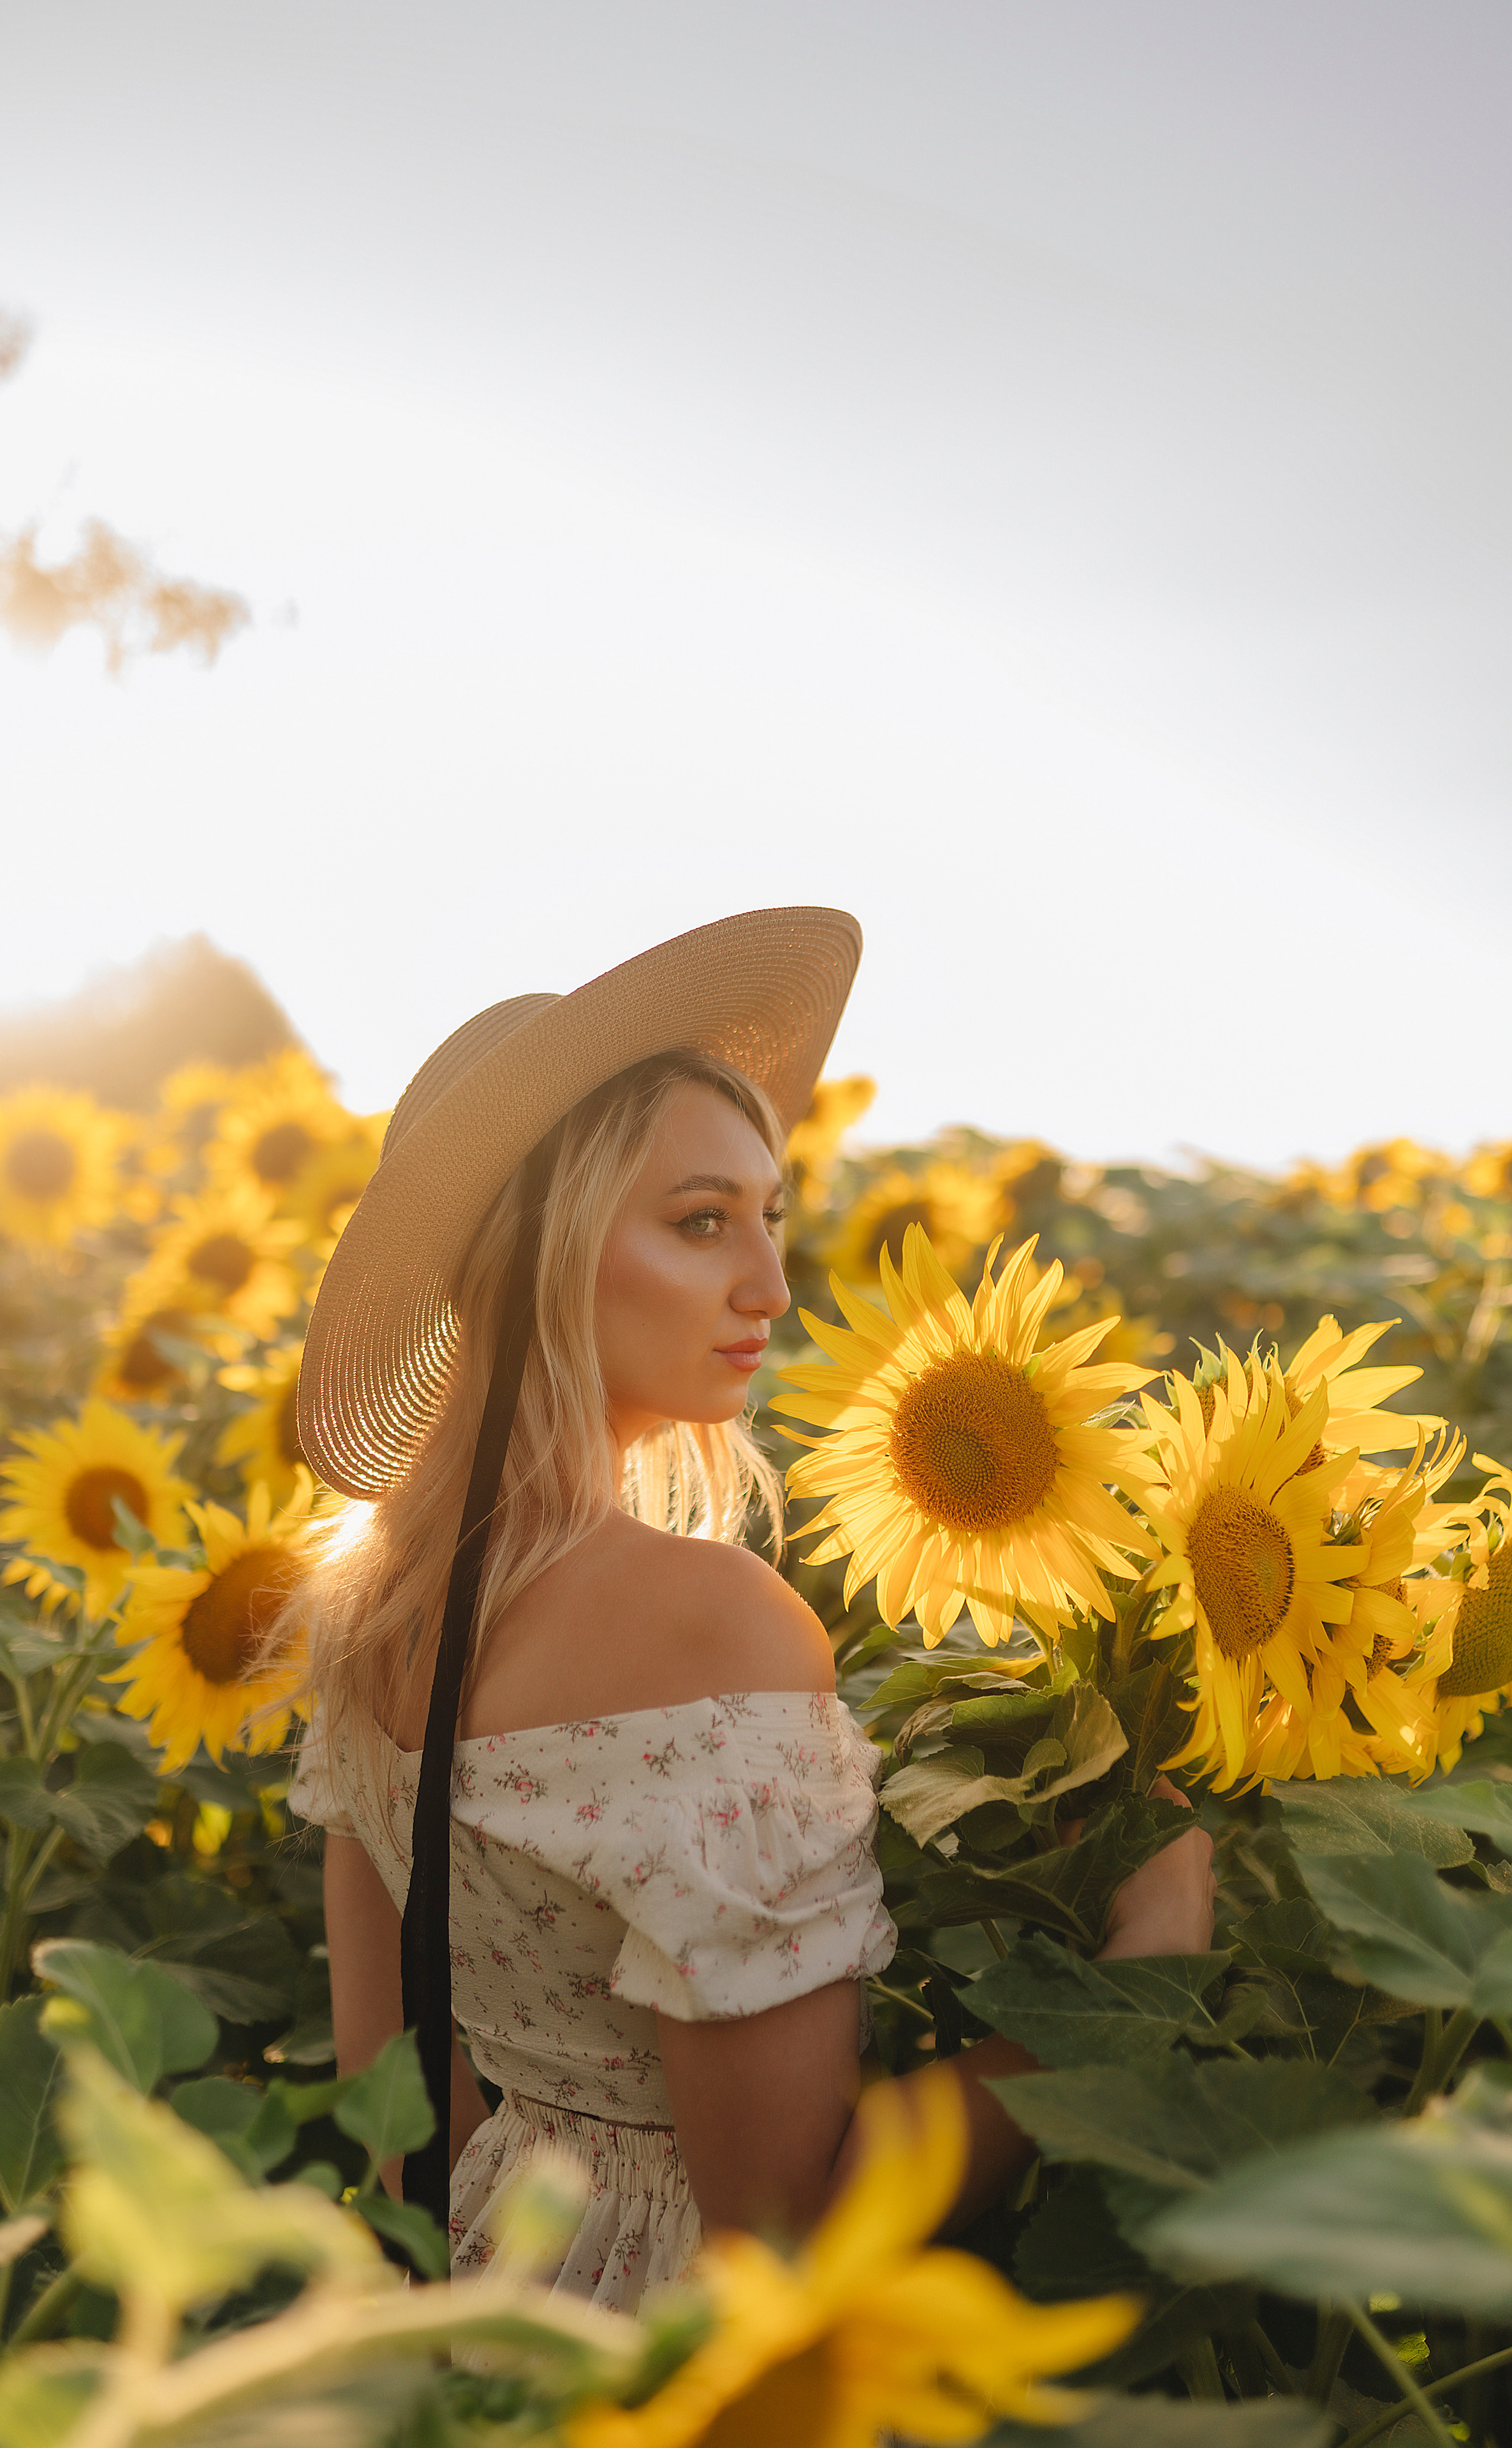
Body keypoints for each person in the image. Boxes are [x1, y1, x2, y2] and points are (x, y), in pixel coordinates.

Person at [283, 910, 1214, 2310]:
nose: (770, 1286)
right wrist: (1136, 1973)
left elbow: (400, 2132)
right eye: (700, 1220)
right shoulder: (708, 1624)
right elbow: (785, 2233)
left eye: (768, 1220)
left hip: (489, 2317)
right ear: (545, 1250)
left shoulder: (369, 1618)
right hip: (686, 2369)